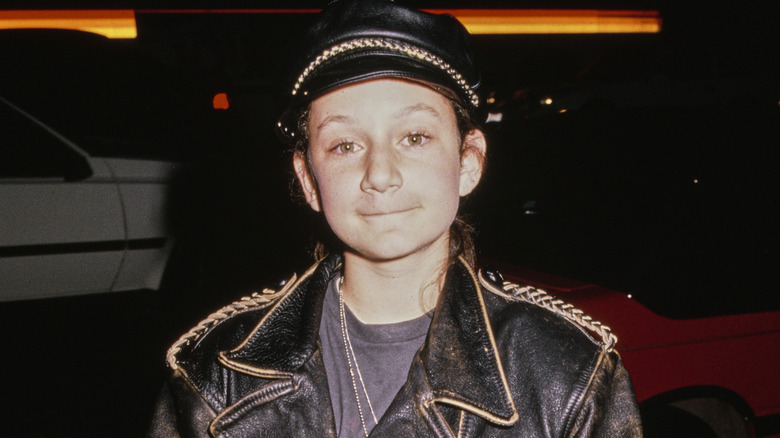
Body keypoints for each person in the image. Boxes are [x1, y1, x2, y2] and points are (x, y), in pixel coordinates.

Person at [149, 0, 643, 436]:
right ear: (307, 178)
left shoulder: (570, 374)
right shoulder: (214, 374)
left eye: (414, 137)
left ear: (468, 161)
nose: (379, 175)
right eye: (345, 145)